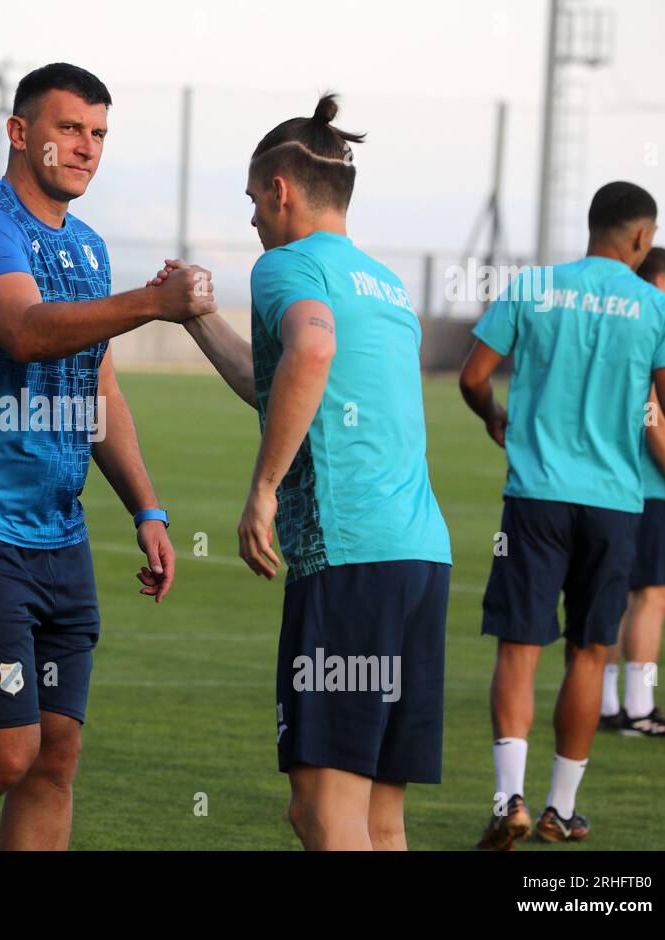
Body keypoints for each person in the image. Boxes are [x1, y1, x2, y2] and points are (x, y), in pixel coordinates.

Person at [0, 62, 214, 851]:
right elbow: (24, 329)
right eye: (68, 129)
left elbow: (101, 396)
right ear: (20, 134)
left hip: (58, 537)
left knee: (55, 755)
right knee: (3, 753)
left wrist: (147, 508)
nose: (85, 148)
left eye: (97, 134)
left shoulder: (87, 247)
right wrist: (150, 303)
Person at [172, 94, 452, 850]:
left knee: (322, 815)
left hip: (346, 558)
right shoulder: (385, 285)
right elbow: (281, 382)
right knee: (379, 820)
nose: (254, 219)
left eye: (254, 201)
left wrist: (262, 491)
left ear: (281, 191)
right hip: (419, 560)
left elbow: (312, 351)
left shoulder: (284, 266)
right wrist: (199, 316)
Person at [463, 182, 665, 849]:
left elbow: (472, 376)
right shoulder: (658, 309)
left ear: (592, 226)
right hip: (614, 506)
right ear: (640, 239)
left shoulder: (532, 288)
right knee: (590, 652)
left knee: (519, 647)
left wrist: (494, 417)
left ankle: (507, 796)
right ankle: (559, 810)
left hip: (534, 498)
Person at [600, 246, 665, 739]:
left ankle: (609, 704)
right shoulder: (660, 321)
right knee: (653, 595)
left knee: (620, 596)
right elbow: (654, 410)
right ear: (661, 281)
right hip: (651, 486)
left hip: (615, 482)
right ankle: (639, 710)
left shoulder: (619, 321)